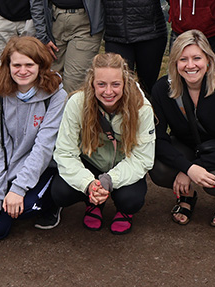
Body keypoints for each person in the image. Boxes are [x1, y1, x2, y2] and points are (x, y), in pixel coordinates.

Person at [149, 30, 215, 227]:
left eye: (197, 58)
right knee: (159, 169)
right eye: (183, 59)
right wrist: (188, 166)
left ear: (208, 59)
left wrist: (190, 169)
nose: (190, 65)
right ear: (174, 63)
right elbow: (158, 139)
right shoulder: (162, 90)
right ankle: (187, 195)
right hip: (189, 145)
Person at [51, 53, 155, 234]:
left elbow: (143, 158)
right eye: (101, 84)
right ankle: (92, 202)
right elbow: (65, 152)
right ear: (92, 82)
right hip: (91, 163)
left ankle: (123, 211)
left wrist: (109, 180)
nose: (108, 92)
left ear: (125, 82)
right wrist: (89, 183)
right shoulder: (77, 103)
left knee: (131, 200)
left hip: (124, 164)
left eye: (115, 84)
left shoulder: (141, 108)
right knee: (60, 192)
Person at [0, 36, 68, 241]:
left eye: (30, 64)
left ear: (41, 66)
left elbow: (44, 147)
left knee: (24, 208)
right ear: (8, 66)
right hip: (13, 167)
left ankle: (51, 203)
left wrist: (18, 189)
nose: (23, 70)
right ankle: (9, 197)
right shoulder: (0, 97)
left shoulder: (56, 96)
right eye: (16, 64)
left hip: (45, 167)